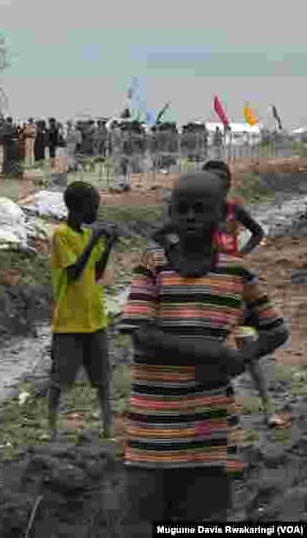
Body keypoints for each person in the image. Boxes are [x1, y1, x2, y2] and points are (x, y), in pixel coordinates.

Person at [117, 172, 289, 531]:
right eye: (183, 209)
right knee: (143, 521)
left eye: (201, 209)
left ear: (222, 215)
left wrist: (240, 359)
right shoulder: (152, 265)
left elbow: (276, 329)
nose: (191, 216)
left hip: (209, 434)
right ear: (171, 213)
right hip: (151, 435)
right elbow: (143, 335)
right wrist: (216, 355)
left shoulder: (236, 273)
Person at [151, 160, 277, 427]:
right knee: (205, 349)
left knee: (246, 346)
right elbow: (159, 234)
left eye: (220, 181)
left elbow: (257, 232)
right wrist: (177, 251)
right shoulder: (195, 212)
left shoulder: (233, 210)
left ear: (228, 185)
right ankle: (203, 414)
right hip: (202, 286)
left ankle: (267, 407)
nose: (214, 185)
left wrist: (240, 256)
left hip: (230, 286)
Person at [48, 181, 119, 440]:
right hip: (68, 322)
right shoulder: (61, 235)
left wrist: (108, 244)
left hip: (95, 319)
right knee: (60, 378)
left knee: (102, 379)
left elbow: (96, 272)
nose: (97, 213)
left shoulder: (88, 235)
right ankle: (51, 427)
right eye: (94, 207)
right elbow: (75, 272)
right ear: (79, 208)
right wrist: (96, 240)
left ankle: (107, 426)